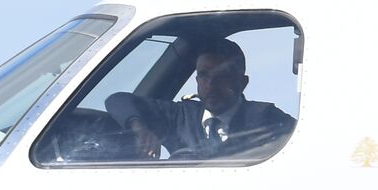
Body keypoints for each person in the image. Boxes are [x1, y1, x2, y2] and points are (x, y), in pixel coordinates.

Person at [105, 38, 295, 160]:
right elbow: (117, 100)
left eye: (222, 76)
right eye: (204, 75)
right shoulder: (181, 115)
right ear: (196, 79)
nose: (211, 85)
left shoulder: (265, 118)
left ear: (242, 83)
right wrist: (139, 127)